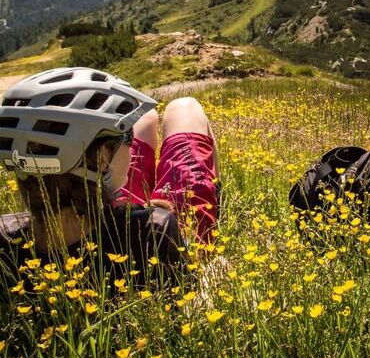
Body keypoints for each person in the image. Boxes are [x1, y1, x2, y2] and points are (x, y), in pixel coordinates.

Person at [0, 67, 220, 295]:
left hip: (103, 206)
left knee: (146, 117)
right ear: (103, 158)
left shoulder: (6, 238)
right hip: (141, 230)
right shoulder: (156, 229)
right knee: (185, 107)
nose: (131, 142)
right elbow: (190, 296)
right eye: (127, 137)